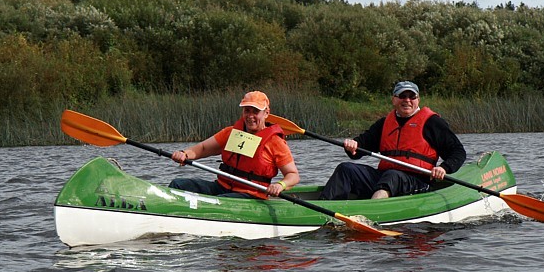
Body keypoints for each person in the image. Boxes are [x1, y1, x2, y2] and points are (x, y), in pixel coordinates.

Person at [320, 81, 466, 200]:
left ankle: (371, 212)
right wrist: (352, 146)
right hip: (385, 177)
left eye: (412, 96)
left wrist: (444, 168)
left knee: (392, 176)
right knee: (346, 169)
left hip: (418, 181)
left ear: (418, 100)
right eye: (402, 96)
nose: (407, 100)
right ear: (394, 99)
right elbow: (360, 147)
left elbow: (458, 152)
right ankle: (324, 207)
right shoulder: (384, 123)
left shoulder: (432, 123)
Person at [169, 91, 300, 199]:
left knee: (224, 200)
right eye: (247, 111)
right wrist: (184, 154)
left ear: (266, 113)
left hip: (251, 195)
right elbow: (203, 148)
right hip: (222, 187)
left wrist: (280, 185)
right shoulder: (231, 133)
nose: (250, 116)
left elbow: (293, 175)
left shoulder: (275, 142)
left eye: (255, 111)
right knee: (178, 184)